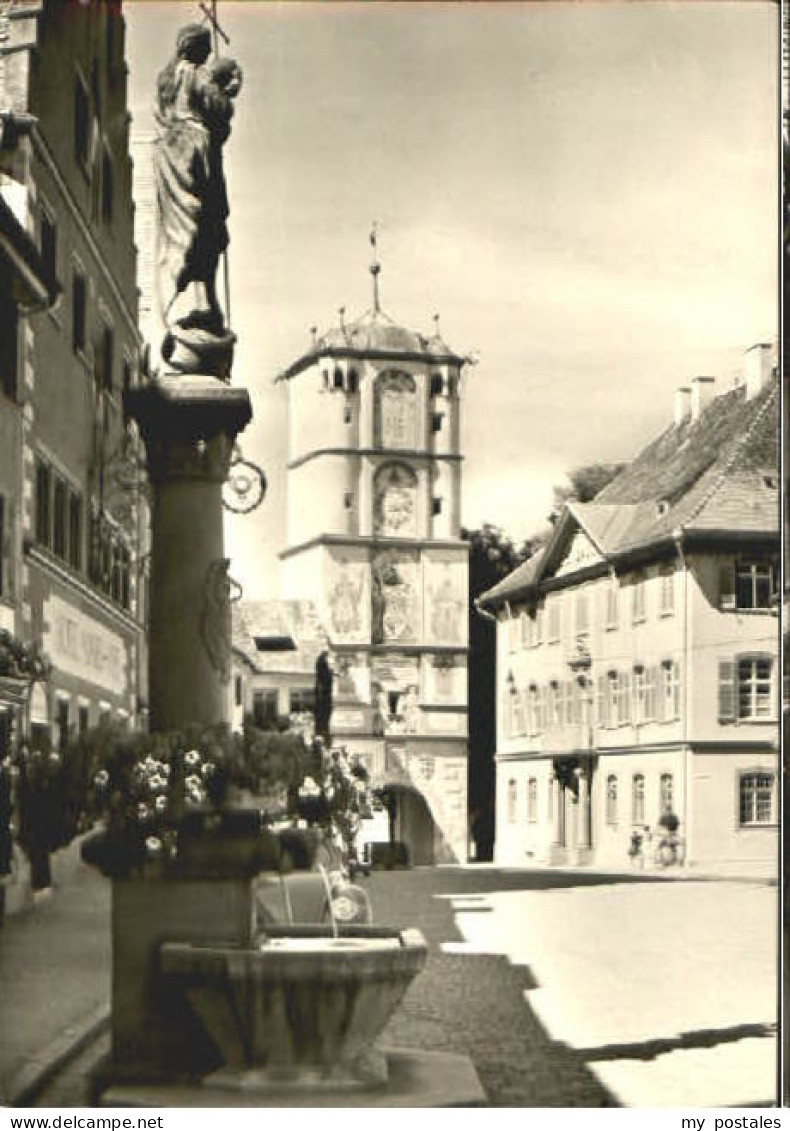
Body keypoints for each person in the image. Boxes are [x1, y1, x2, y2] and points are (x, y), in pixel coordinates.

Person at [153, 25, 242, 370]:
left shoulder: (166, 78)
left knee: (194, 234)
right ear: (198, 50)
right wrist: (226, 85)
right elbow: (219, 110)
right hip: (194, 154)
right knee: (203, 231)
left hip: (173, 155)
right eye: (205, 52)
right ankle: (192, 304)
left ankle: (195, 303)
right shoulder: (192, 74)